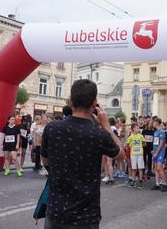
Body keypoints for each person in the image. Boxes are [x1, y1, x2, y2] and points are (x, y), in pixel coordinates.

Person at [41, 79, 124, 229]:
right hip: (85, 217)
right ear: (94, 104)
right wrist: (106, 126)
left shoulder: (52, 128)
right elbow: (120, 155)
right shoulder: (98, 134)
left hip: (56, 212)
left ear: (70, 102)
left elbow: (45, 161)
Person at [151, 118, 167, 192]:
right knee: (155, 168)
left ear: (157, 123)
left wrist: (156, 152)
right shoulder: (155, 132)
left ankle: (164, 183)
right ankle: (157, 184)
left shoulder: (162, 132)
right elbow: (156, 143)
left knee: (159, 168)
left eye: (153, 122)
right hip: (155, 152)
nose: (152, 123)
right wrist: (153, 151)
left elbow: (161, 144)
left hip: (160, 152)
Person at [127, 123, 145, 188]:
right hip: (133, 154)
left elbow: (144, 143)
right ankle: (133, 180)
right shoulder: (130, 137)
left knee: (140, 168)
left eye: (138, 128)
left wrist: (140, 146)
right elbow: (127, 145)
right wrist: (130, 146)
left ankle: (140, 181)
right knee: (133, 168)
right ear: (133, 129)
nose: (138, 129)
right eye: (137, 128)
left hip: (140, 154)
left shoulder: (141, 136)